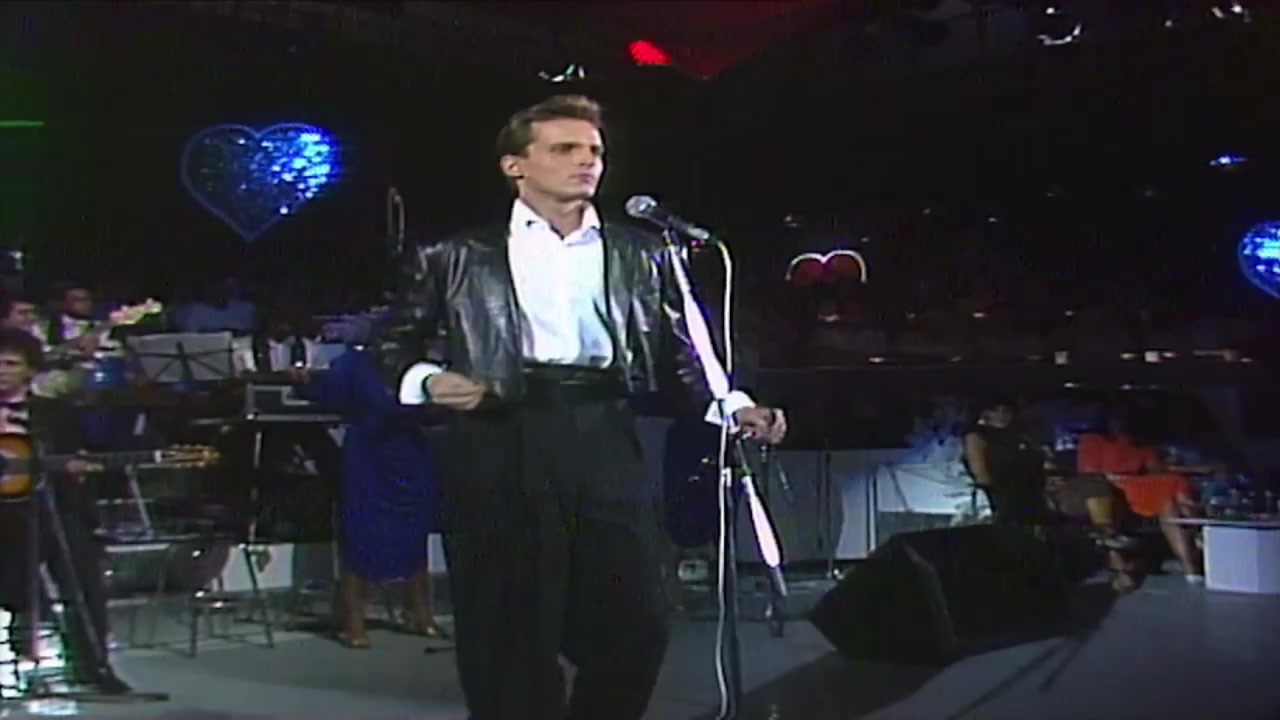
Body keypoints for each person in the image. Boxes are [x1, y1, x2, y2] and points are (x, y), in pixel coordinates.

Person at [381, 94, 787, 720]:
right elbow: (391, 345)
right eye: (565, 149)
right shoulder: (456, 255)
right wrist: (428, 380)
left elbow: (681, 354)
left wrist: (733, 406)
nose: (586, 162)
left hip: (603, 428)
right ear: (515, 165)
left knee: (639, 617)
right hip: (500, 430)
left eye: (595, 150)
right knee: (509, 622)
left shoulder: (642, 252)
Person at [0, 328, 130, 694]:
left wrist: (74, 470)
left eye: (10, 364)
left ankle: (94, 666)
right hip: (4, 519)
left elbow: (73, 458)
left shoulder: (53, 414)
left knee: (82, 572)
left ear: (29, 370)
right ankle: (20, 659)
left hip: (51, 509)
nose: (1, 371)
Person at [290, 346, 446, 649]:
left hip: (409, 454)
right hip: (369, 457)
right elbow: (329, 394)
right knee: (359, 532)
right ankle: (354, 623)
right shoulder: (354, 363)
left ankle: (419, 613)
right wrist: (305, 381)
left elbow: (439, 407)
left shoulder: (422, 364)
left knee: (415, 531)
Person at [1077, 407, 1203, 583]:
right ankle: (1196, 537)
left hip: (1142, 485)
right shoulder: (1092, 441)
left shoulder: (1141, 445)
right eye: (1118, 419)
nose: (1122, 423)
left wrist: (1190, 467)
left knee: (1172, 495)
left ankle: (1192, 560)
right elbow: (1089, 473)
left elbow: (1157, 469)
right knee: (1169, 493)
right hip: (1111, 488)